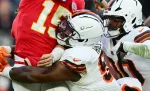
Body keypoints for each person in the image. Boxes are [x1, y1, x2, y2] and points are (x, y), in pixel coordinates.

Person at [0, 0, 108, 91]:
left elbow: (70, 39)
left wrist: (54, 55)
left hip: (51, 67)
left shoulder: (77, 0)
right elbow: (16, 31)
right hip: (25, 65)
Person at [0, 10, 142, 91]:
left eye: (68, 29)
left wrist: (5, 70)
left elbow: (38, 75)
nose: (62, 29)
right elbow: (39, 51)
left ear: (83, 38)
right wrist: (7, 50)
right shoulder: (82, 43)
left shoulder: (80, 55)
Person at [102, 0, 150, 91]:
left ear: (131, 19)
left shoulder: (140, 34)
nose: (110, 23)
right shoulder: (106, 37)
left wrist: (126, 46)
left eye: (115, 20)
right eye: (109, 19)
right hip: (127, 87)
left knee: (128, 83)